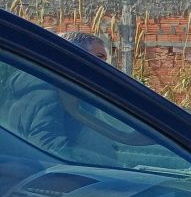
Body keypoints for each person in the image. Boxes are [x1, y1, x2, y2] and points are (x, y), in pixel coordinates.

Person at [6, 32, 114, 161]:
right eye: (100, 57)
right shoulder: (49, 91)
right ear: (74, 56)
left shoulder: (67, 90)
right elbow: (48, 146)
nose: (104, 66)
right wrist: (97, 163)